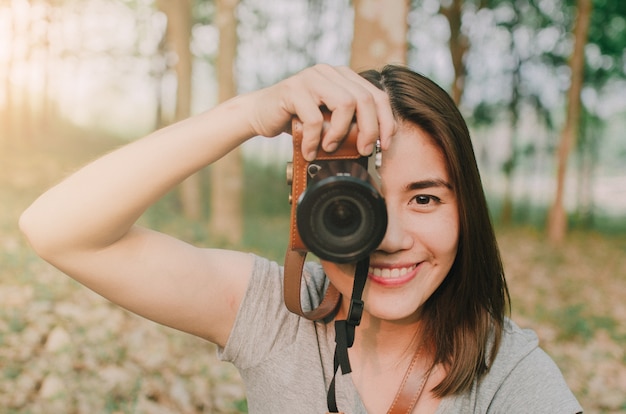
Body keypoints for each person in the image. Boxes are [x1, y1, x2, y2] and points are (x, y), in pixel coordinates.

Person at [20, 64, 582, 413]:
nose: (387, 238)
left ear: (467, 214)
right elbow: (58, 230)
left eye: (425, 198)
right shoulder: (274, 314)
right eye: (355, 204)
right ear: (304, 209)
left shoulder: (507, 372)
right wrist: (249, 112)